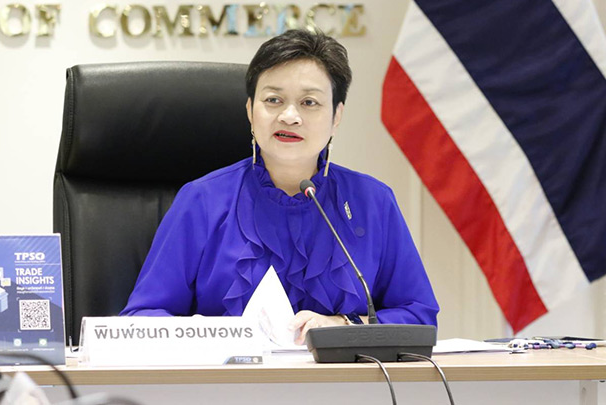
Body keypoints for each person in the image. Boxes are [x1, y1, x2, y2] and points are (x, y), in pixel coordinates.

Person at [121, 29, 439, 345]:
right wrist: (211, 336)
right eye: (273, 100)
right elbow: (141, 318)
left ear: (336, 116)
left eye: (309, 102)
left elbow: (419, 316)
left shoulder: (373, 202)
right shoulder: (201, 200)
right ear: (250, 110)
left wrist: (342, 325)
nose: (289, 116)